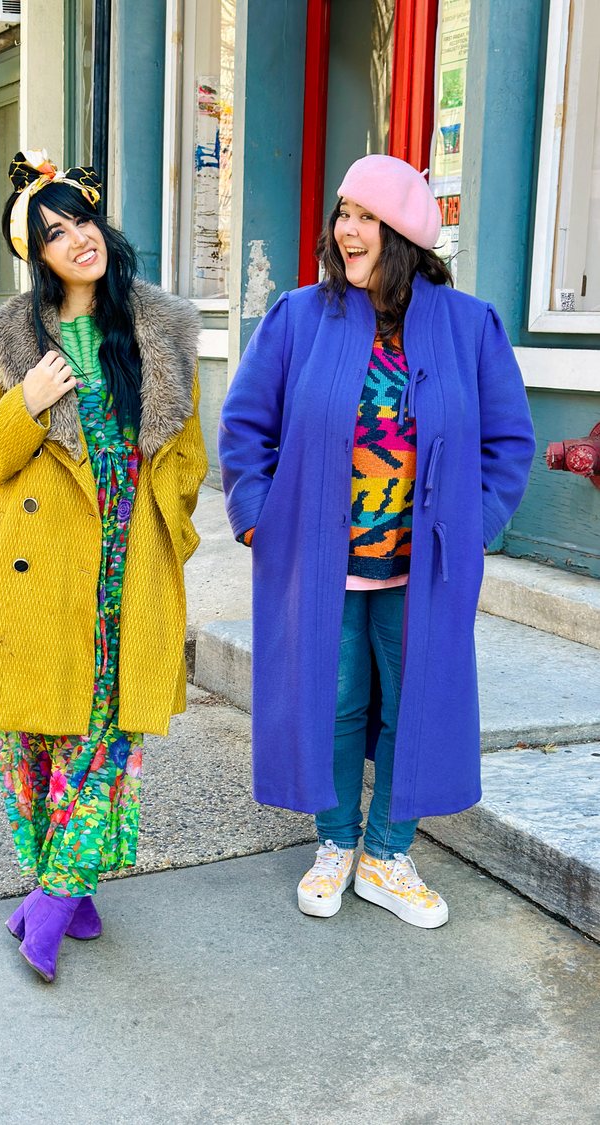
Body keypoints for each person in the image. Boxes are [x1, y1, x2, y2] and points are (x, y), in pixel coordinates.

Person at [218, 154, 535, 929]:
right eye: (343, 213)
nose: (345, 229)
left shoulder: (469, 326)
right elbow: (244, 427)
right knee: (334, 698)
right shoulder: (298, 317)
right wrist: (260, 518)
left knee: (414, 703)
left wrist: (476, 526)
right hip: (321, 561)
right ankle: (335, 843)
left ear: (403, 234)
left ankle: (388, 855)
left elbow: (508, 440)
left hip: (420, 566)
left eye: (364, 215)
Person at [0, 150, 207, 980]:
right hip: (38, 569)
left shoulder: (160, 328)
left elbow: (188, 452)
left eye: (80, 219)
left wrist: (171, 521)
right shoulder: (10, 341)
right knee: (32, 736)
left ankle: (52, 905)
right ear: (35, 255)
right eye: (53, 232)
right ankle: (69, 886)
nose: (75, 238)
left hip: (126, 568)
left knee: (104, 738)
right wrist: (26, 403)